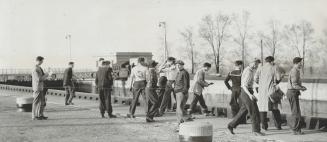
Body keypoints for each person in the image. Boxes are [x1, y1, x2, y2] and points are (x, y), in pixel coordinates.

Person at [227, 59, 265, 136]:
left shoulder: (249, 70)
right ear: (250, 63)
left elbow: (249, 83)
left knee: (243, 111)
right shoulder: (248, 71)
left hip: (246, 92)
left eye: (257, 65)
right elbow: (244, 85)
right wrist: (250, 95)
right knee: (253, 111)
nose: (256, 66)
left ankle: (231, 125)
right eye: (255, 64)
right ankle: (256, 131)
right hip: (246, 92)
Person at [254, 56, 283, 130]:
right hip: (271, 91)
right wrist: (278, 80)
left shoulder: (260, 68)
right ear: (272, 61)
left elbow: (255, 79)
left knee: (263, 109)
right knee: (275, 108)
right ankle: (278, 125)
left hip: (262, 91)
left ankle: (264, 126)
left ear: (266, 61)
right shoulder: (274, 67)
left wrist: (261, 83)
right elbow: (278, 78)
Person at [287, 57, 307, 135]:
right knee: (296, 112)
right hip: (292, 92)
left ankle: (295, 129)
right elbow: (294, 85)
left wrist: (300, 88)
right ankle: (295, 130)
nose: (301, 64)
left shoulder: (295, 70)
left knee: (295, 112)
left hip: (292, 92)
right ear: (296, 63)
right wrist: (302, 88)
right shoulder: (295, 71)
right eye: (300, 63)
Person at [174, 60, 191, 132]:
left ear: (182, 65)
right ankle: (182, 123)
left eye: (179, 65)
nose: (178, 66)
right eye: (177, 65)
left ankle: (180, 125)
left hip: (181, 92)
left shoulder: (184, 73)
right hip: (178, 92)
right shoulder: (179, 72)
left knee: (179, 109)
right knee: (179, 109)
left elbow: (186, 84)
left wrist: (183, 93)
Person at [32, 56, 49, 120]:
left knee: (42, 102)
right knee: (36, 102)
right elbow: (39, 79)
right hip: (37, 87)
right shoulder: (35, 68)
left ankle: (40, 114)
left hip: (40, 87)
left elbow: (42, 77)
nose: (42, 62)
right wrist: (47, 74)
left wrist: (46, 74)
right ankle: (34, 116)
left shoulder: (38, 68)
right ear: (38, 60)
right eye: (42, 61)